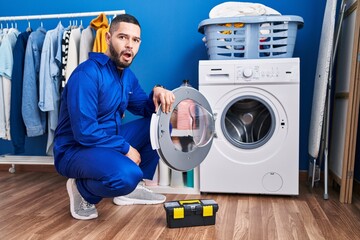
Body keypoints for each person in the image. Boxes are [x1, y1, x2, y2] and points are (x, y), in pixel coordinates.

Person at [54, 13, 175, 220]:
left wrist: (157, 91)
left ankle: (131, 190)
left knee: (159, 126)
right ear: (108, 38)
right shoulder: (87, 75)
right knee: (127, 174)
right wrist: (126, 148)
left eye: (135, 40)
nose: (130, 45)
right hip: (75, 149)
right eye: (123, 37)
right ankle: (82, 190)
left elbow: (147, 110)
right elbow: (85, 132)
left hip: (107, 142)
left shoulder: (127, 76)